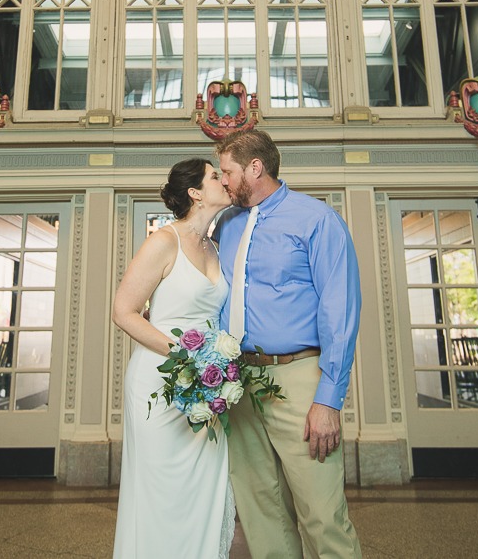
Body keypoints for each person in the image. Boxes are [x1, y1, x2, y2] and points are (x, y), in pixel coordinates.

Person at [213, 129, 362, 559]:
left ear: (255, 168)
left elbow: (340, 311)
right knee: (260, 512)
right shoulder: (227, 224)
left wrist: (328, 401)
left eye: (228, 172)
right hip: (238, 380)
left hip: (300, 377)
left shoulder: (317, 220)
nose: (223, 181)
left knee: (322, 512)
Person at [112, 158, 235, 558]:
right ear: (196, 193)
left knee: (202, 491)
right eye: (215, 176)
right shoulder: (163, 241)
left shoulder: (215, 248)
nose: (223, 179)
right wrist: (186, 355)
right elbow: (124, 311)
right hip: (159, 384)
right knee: (160, 494)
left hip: (204, 385)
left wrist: (213, 364)